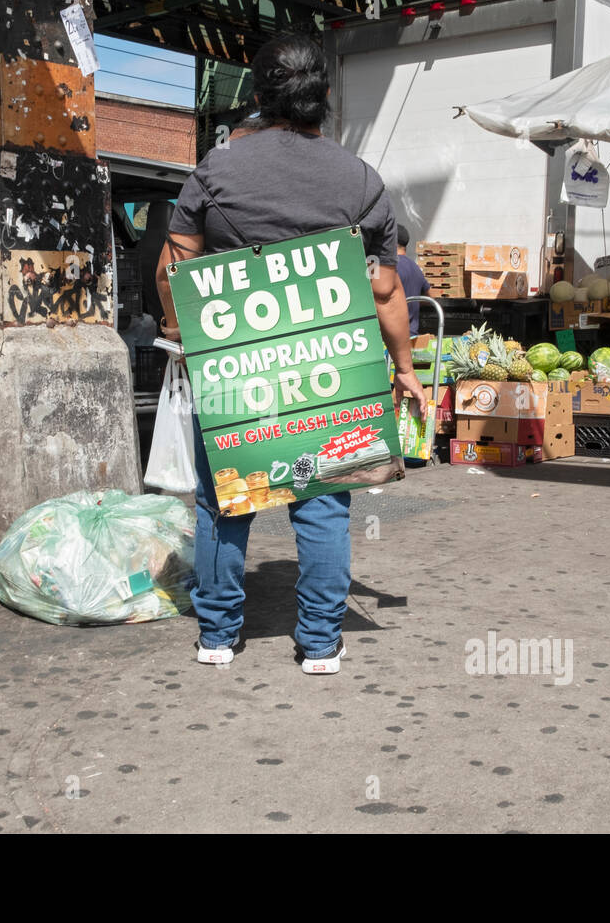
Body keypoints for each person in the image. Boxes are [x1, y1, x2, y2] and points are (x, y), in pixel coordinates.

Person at [154, 33, 426, 675]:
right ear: (324, 98)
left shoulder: (216, 170)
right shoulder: (360, 180)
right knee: (325, 498)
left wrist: (183, 336)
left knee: (226, 498)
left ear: (259, 96)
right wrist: (406, 370)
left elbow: (174, 267)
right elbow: (386, 289)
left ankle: (218, 636)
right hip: (332, 366)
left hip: (234, 363)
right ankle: (321, 643)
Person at [395, 225, 428, 336]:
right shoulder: (415, 267)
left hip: (391, 338)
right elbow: (431, 296)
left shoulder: (388, 267)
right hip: (411, 336)